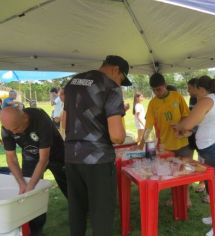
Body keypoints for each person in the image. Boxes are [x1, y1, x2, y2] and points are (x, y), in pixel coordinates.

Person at [63, 55, 129, 236]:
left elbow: (64, 122)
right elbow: (116, 136)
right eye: (121, 79)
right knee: (102, 213)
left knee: (76, 210)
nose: (120, 83)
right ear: (116, 70)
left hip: (72, 156)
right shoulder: (111, 87)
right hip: (98, 160)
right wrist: (123, 135)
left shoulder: (72, 82)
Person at [174, 75, 215, 236]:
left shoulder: (205, 101)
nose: (194, 94)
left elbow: (188, 123)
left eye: (195, 91)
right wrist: (188, 132)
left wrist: (179, 126)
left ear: (201, 89)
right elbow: (206, 124)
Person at [0, 107, 67, 236]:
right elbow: (11, 158)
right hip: (31, 156)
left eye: (16, 129)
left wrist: (30, 185)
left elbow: (44, 159)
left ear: (25, 118)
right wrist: (22, 183)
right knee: (33, 195)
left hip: (56, 153)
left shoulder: (40, 119)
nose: (14, 133)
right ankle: (36, 229)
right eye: (11, 130)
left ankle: (82, 210)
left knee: (68, 184)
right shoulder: (7, 128)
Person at [141, 72, 193, 205]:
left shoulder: (176, 96)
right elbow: (148, 126)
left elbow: (186, 115)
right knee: (170, 173)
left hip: (182, 142)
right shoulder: (152, 104)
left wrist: (181, 126)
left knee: (184, 171)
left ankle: (186, 198)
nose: (157, 92)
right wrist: (142, 142)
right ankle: (173, 197)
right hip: (166, 145)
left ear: (164, 85)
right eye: (154, 90)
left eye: (159, 89)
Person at [187, 78, 206, 194]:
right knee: (190, 159)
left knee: (202, 160)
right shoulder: (192, 98)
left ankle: (203, 183)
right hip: (192, 133)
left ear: (196, 88)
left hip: (201, 133)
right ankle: (190, 180)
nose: (188, 90)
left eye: (190, 88)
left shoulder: (203, 100)